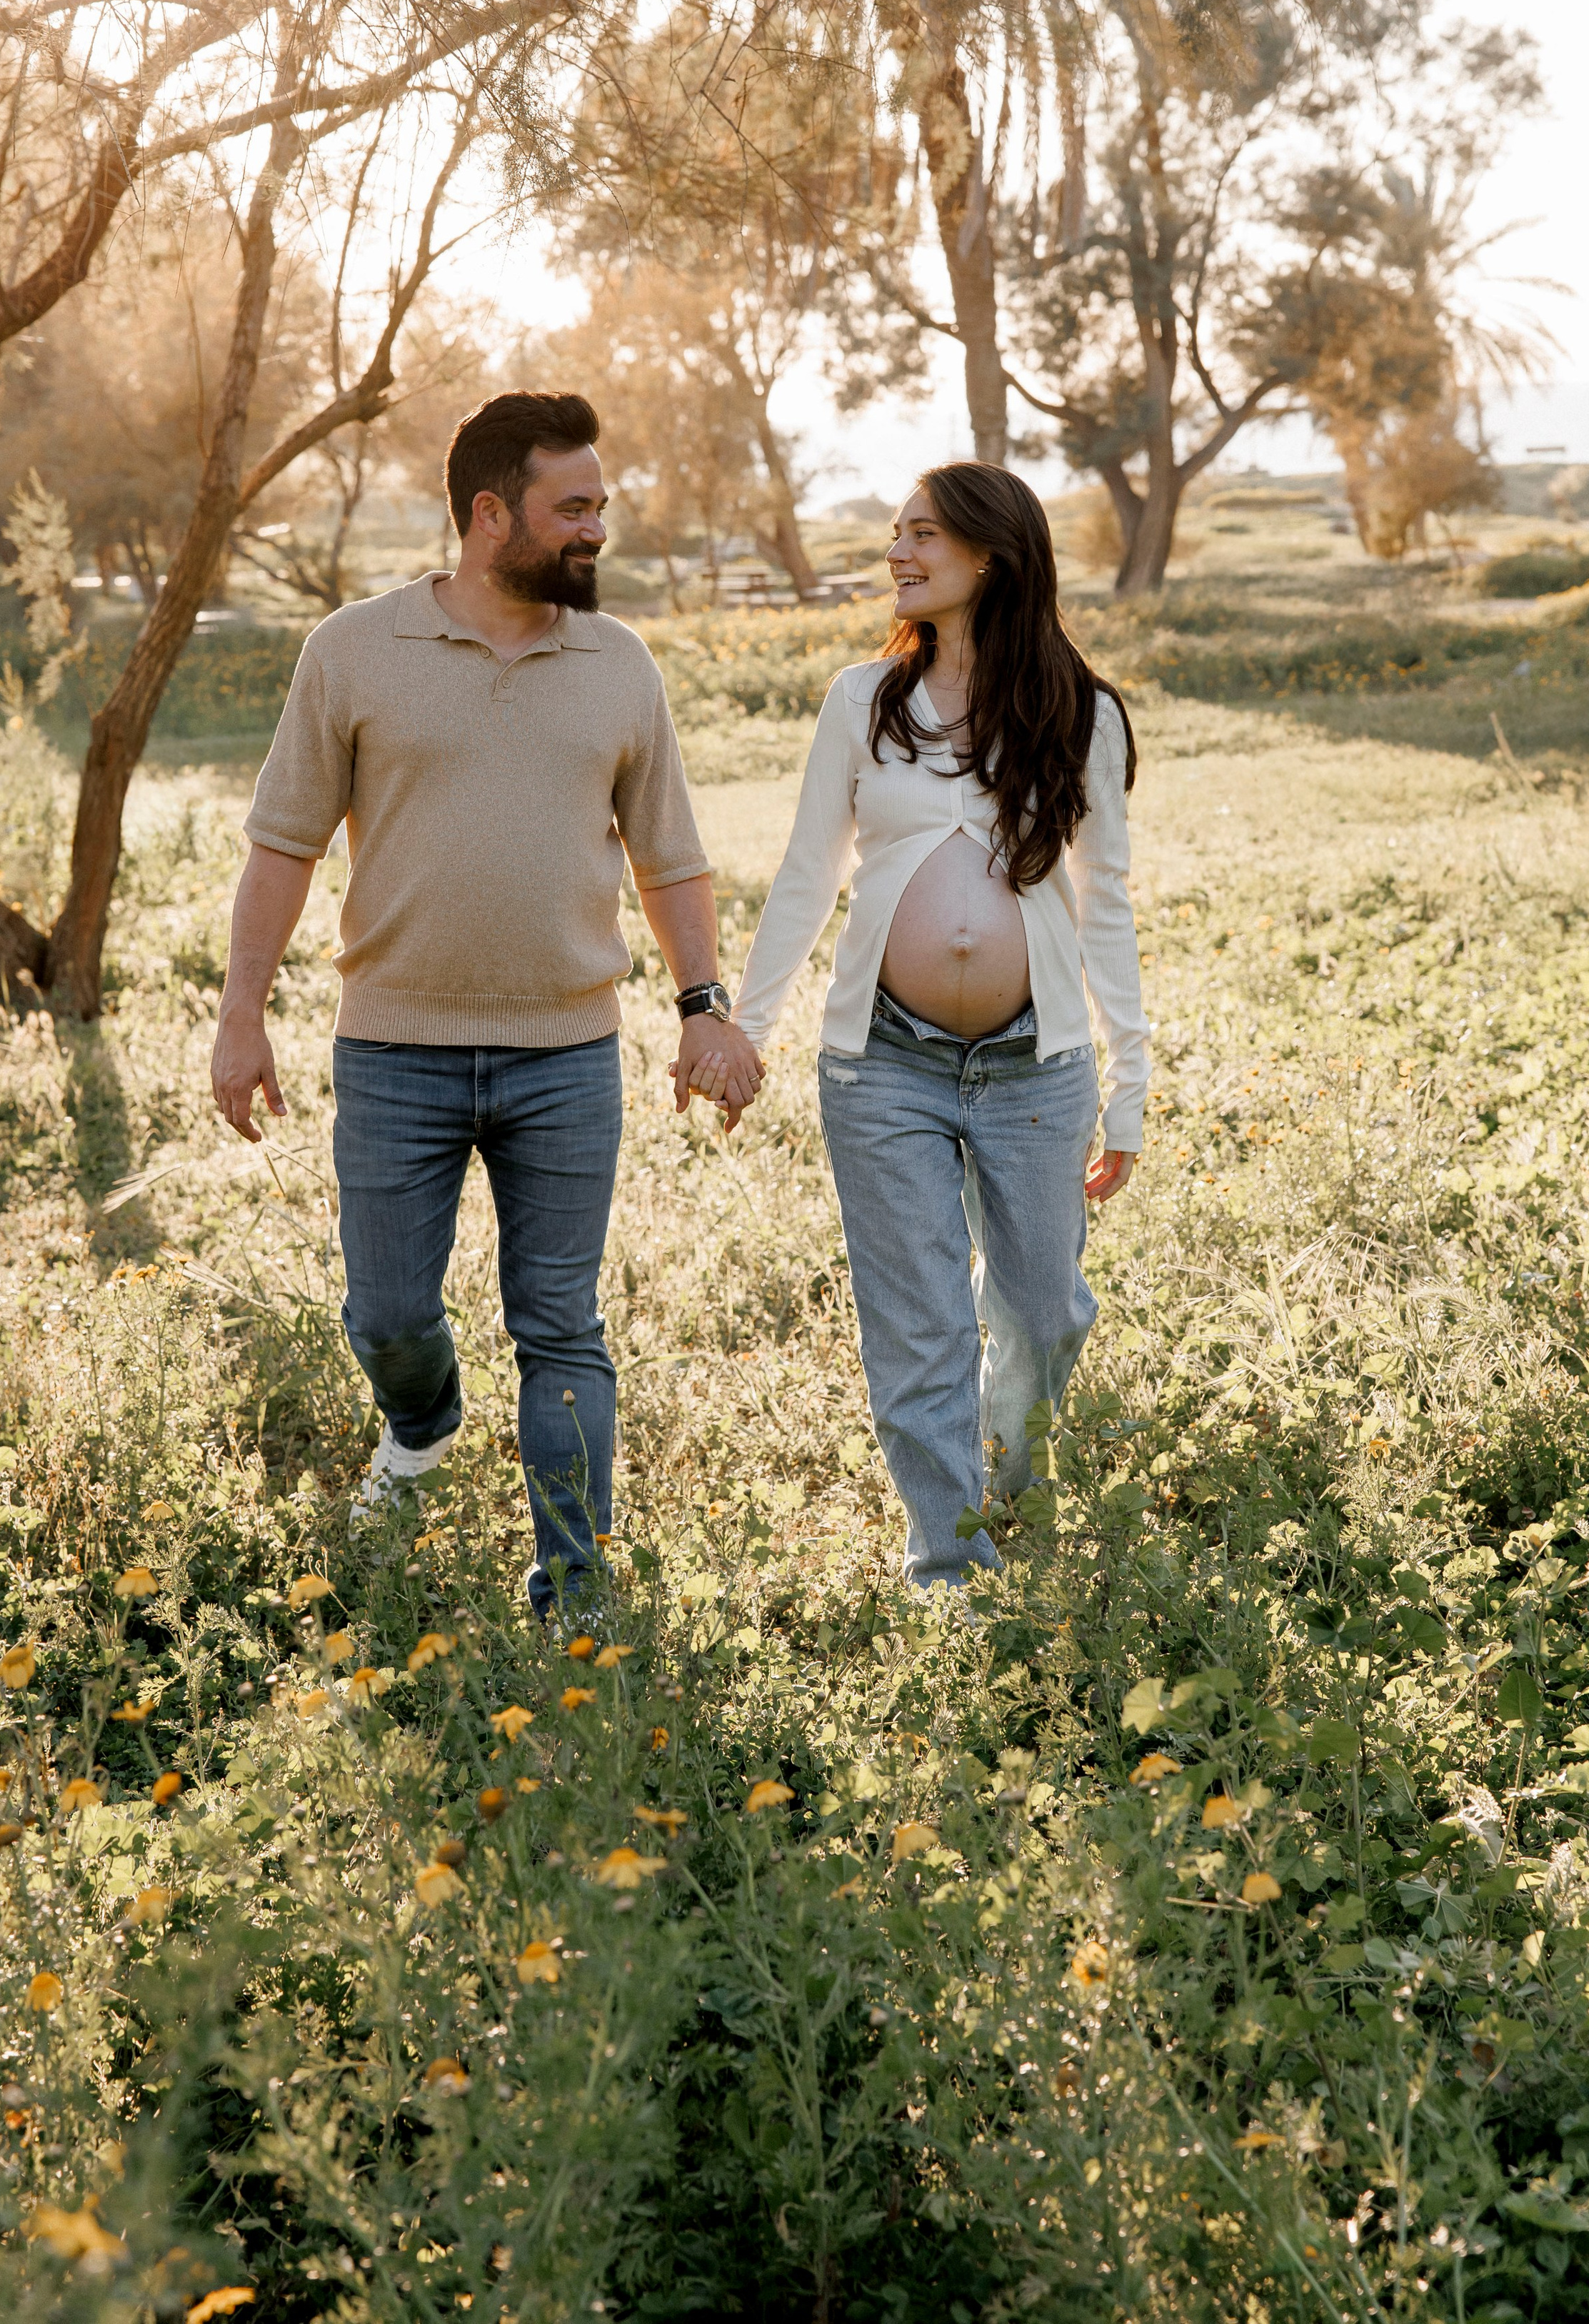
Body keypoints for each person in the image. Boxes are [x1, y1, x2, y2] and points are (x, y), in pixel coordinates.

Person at [209, 390, 763, 1616]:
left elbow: (670, 858)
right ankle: (423, 1424)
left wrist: (703, 1006)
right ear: (490, 513)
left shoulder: (618, 663)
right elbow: (284, 846)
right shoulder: (354, 650)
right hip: (393, 1049)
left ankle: (575, 1590)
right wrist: (242, 1014)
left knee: (560, 1325)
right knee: (387, 1317)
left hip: (564, 1055)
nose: (596, 530)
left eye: (601, 507)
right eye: (573, 509)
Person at [723, 462, 1147, 1594]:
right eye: (895, 533)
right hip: (883, 1065)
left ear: (991, 556)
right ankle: (947, 1564)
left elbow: (1105, 903)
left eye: (923, 536)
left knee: (1046, 1315)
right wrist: (745, 1027)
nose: (898, 554)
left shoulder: (1082, 713)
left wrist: (1131, 1085)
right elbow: (808, 873)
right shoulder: (862, 700)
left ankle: (1008, 1473)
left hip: (1036, 1067)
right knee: (921, 1328)